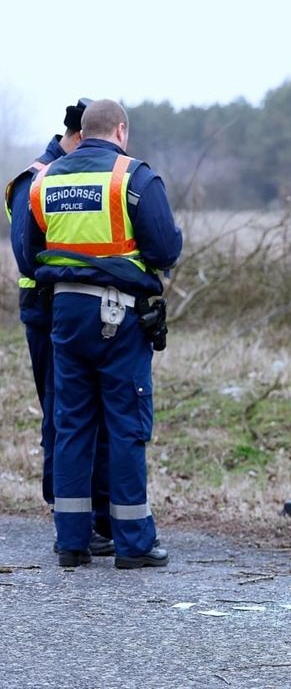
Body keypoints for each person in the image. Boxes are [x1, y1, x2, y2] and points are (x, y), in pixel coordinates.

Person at [24, 99, 181, 568]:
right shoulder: (132, 177)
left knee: (70, 423)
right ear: (120, 130)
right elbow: (165, 248)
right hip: (118, 316)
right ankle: (133, 544)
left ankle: (72, 542)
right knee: (126, 425)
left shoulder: (45, 179)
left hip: (65, 314)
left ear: (81, 131)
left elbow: (32, 252)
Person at [4, 99, 114, 556]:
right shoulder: (36, 180)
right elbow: (29, 257)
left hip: (79, 309)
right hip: (47, 312)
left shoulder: (77, 176)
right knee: (62, 414)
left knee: (97, 416)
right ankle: (68, 516)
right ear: (77, 137)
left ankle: (101, 514)